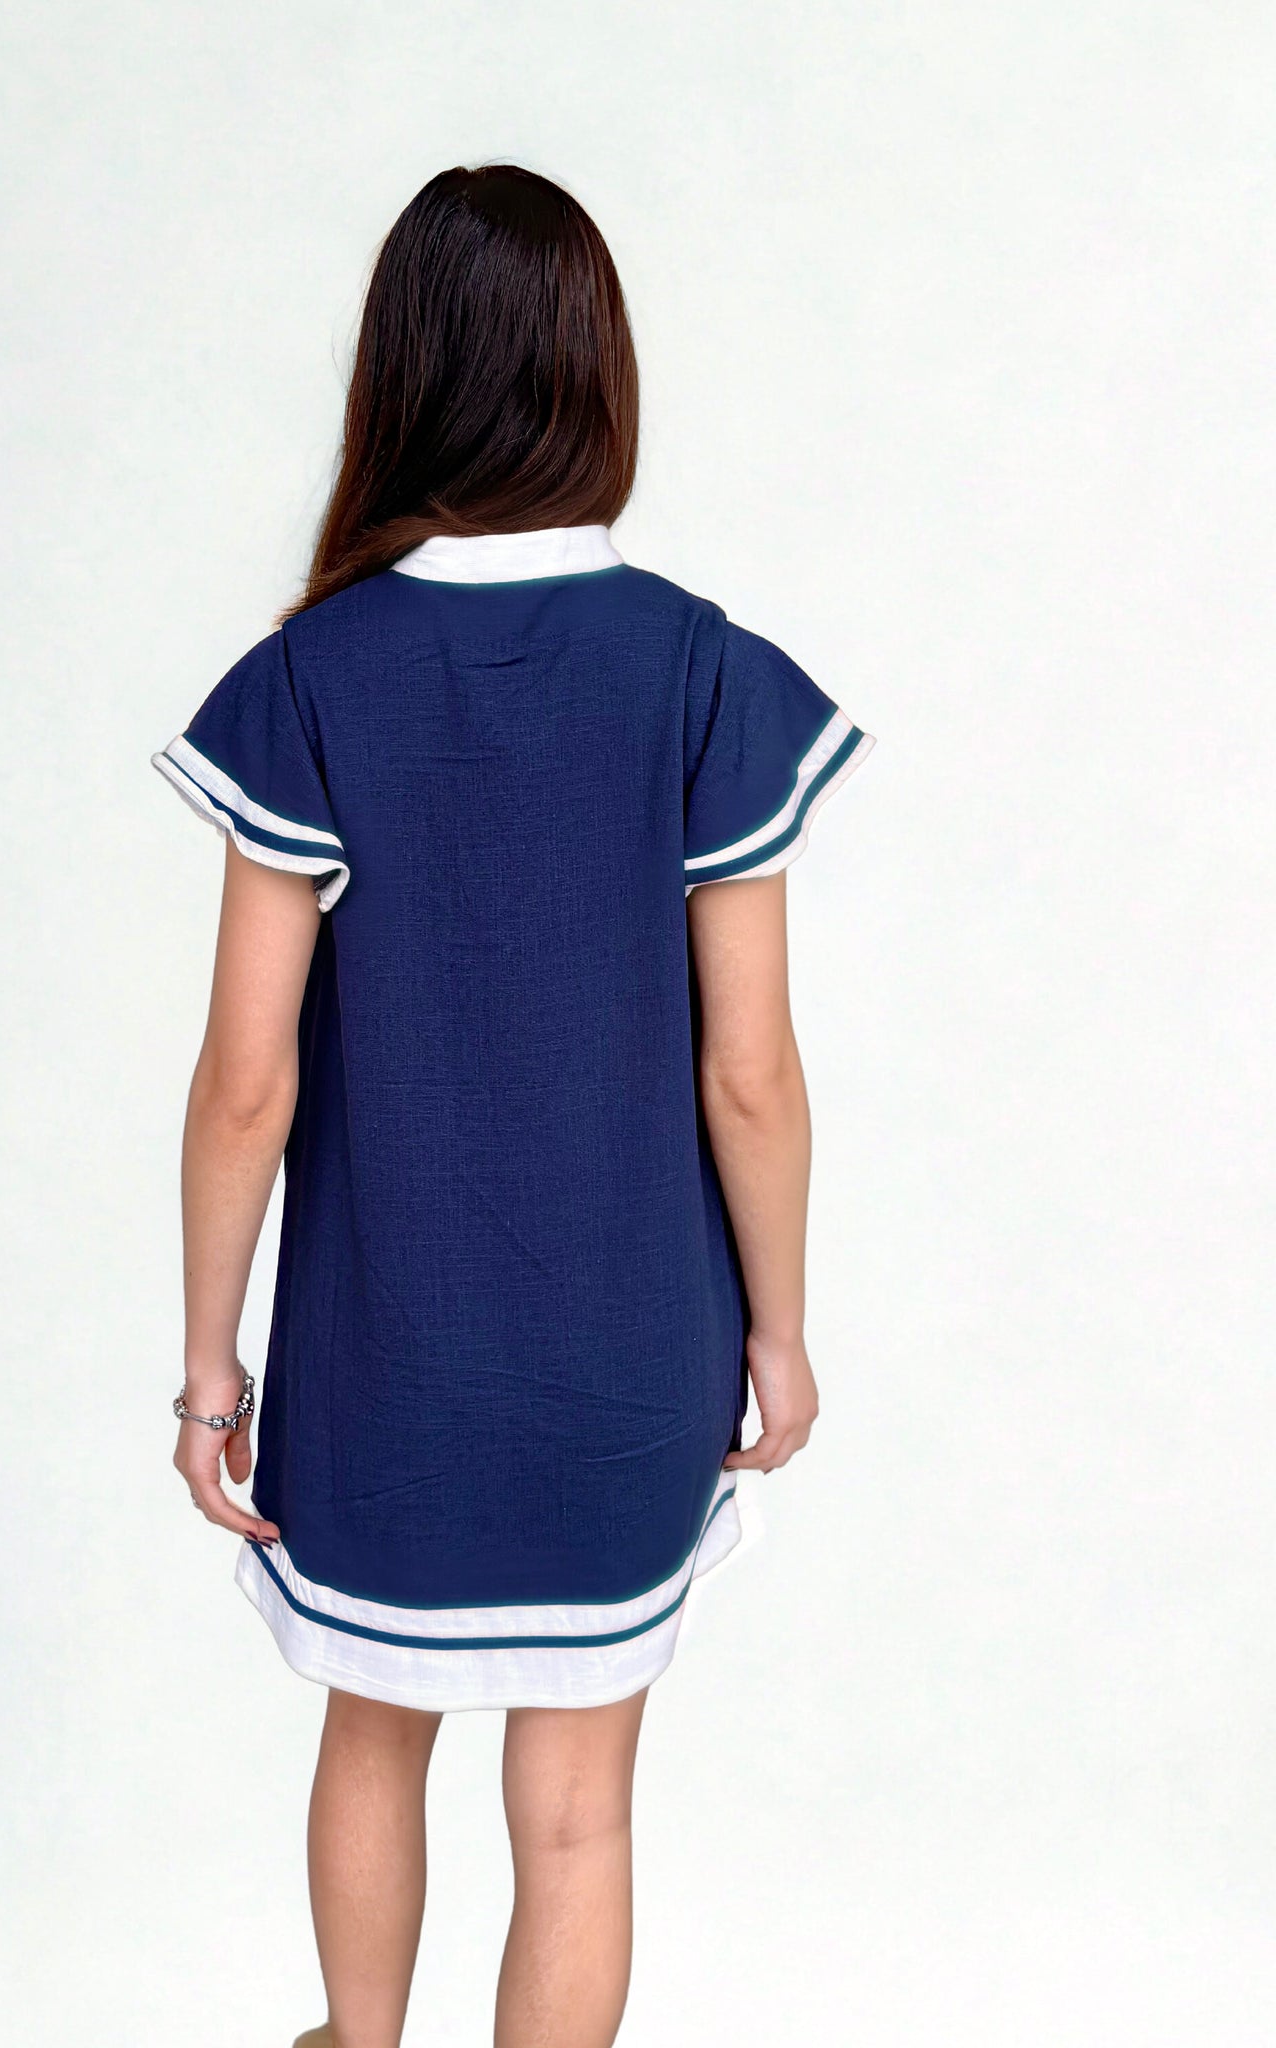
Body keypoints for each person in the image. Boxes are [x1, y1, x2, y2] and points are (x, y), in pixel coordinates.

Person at [151, 162, 874, 2048]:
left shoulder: (310, 678)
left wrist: (212, 1374)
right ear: (596, 375)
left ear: (396, 379)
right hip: (629, 1361)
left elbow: (243, 1082)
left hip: (382, 1366)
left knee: (370, 1732)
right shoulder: (700, 671)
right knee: (577, 1815)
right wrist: (783, 1333)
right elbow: (751, 1070)